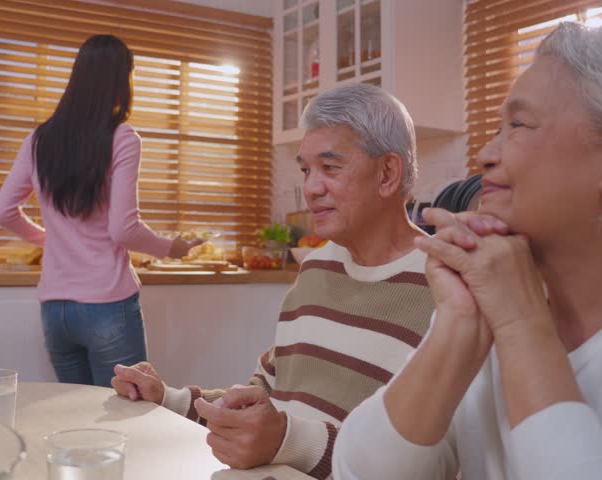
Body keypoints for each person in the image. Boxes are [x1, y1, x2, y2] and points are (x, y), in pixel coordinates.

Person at [333, 22, 602, 480]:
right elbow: (359, 473)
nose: (485, 154)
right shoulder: (488, 297)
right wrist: (458, 327)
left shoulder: (514, 303)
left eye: (517, 124)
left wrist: (521, 323)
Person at [111, 84, 437, 479]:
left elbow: (429, 466)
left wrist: (287, 440)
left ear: (387, 173)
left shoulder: (446, 291)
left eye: (330, 168)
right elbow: (265, 397)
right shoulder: (316, 269)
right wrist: (171, 399)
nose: (311, 188)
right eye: (306, 170)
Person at [0, 34, 200, 387]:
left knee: (79, 417)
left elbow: (3, 211)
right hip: (107, 305)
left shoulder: (40, 139)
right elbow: (123, 229)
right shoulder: (122, 138)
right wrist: (172, 248)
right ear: (121, 79)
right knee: (125, 415)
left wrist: (48, 238)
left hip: (55, 309)